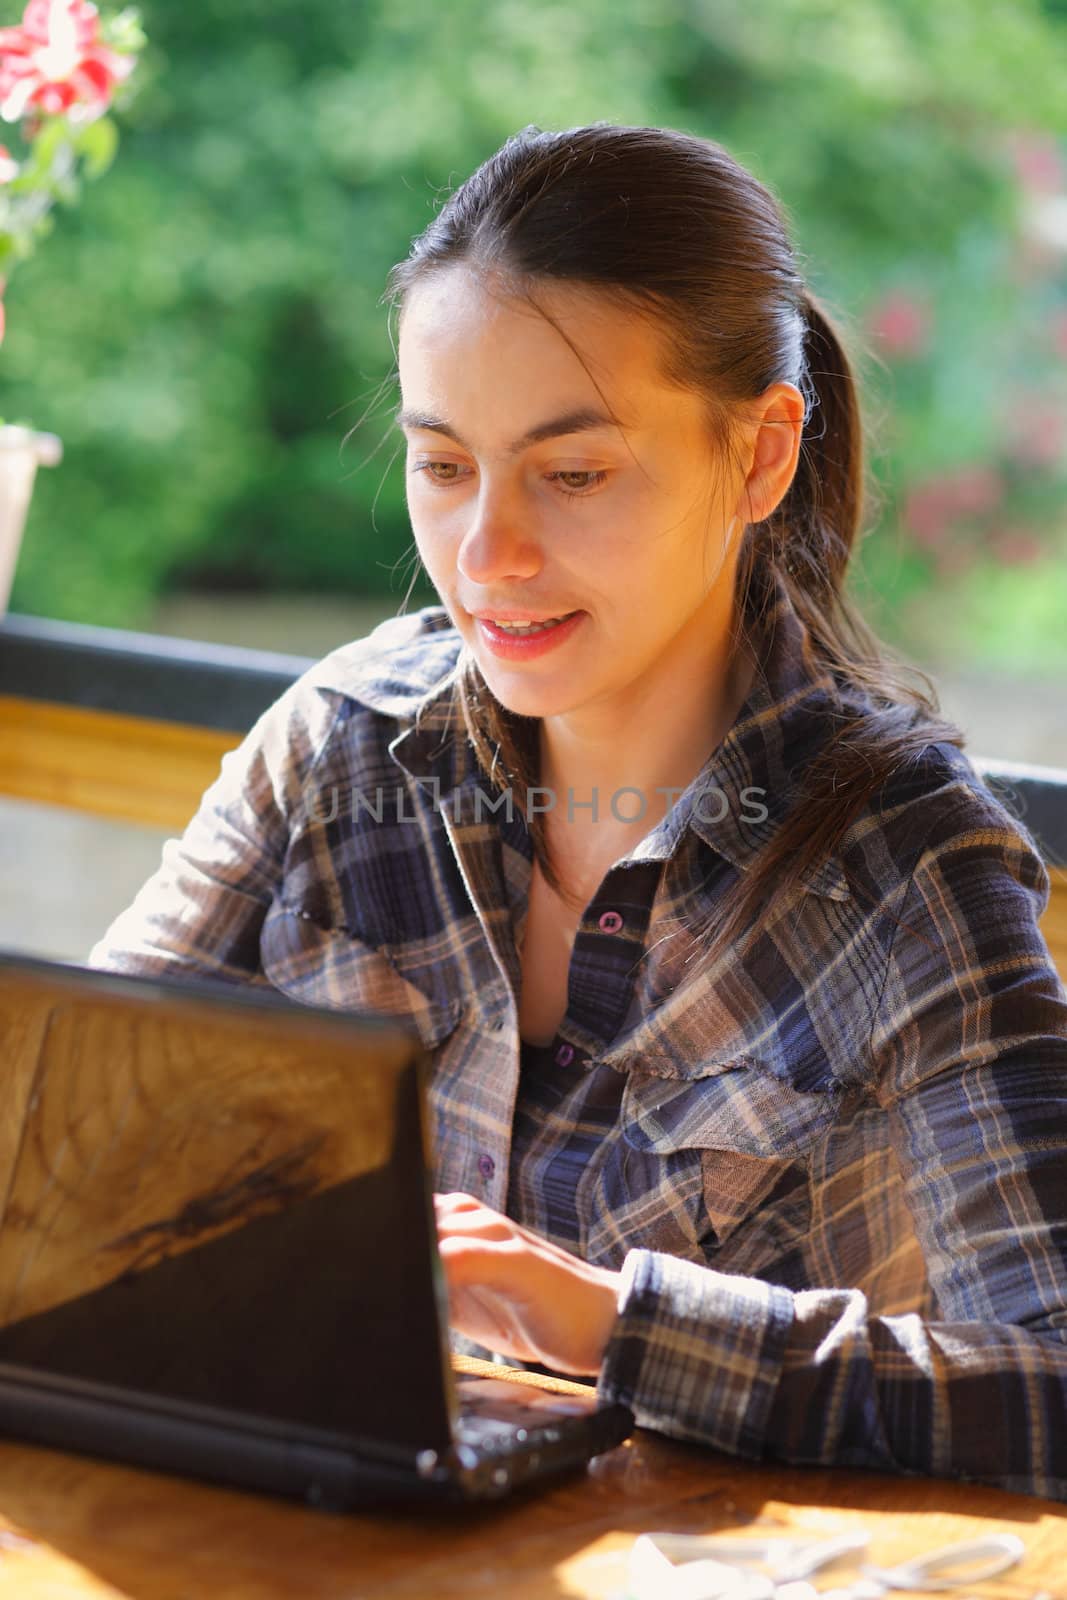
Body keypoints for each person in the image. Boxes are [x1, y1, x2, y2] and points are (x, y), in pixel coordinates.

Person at [90, 122, 1067, 1501]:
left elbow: (1056, 1387)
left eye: (576, 472)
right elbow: (57, 1149)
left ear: (761, 456)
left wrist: (611, 1320)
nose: (488, 553)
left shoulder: (902, 861)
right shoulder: (343, 749)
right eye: (442, 465)